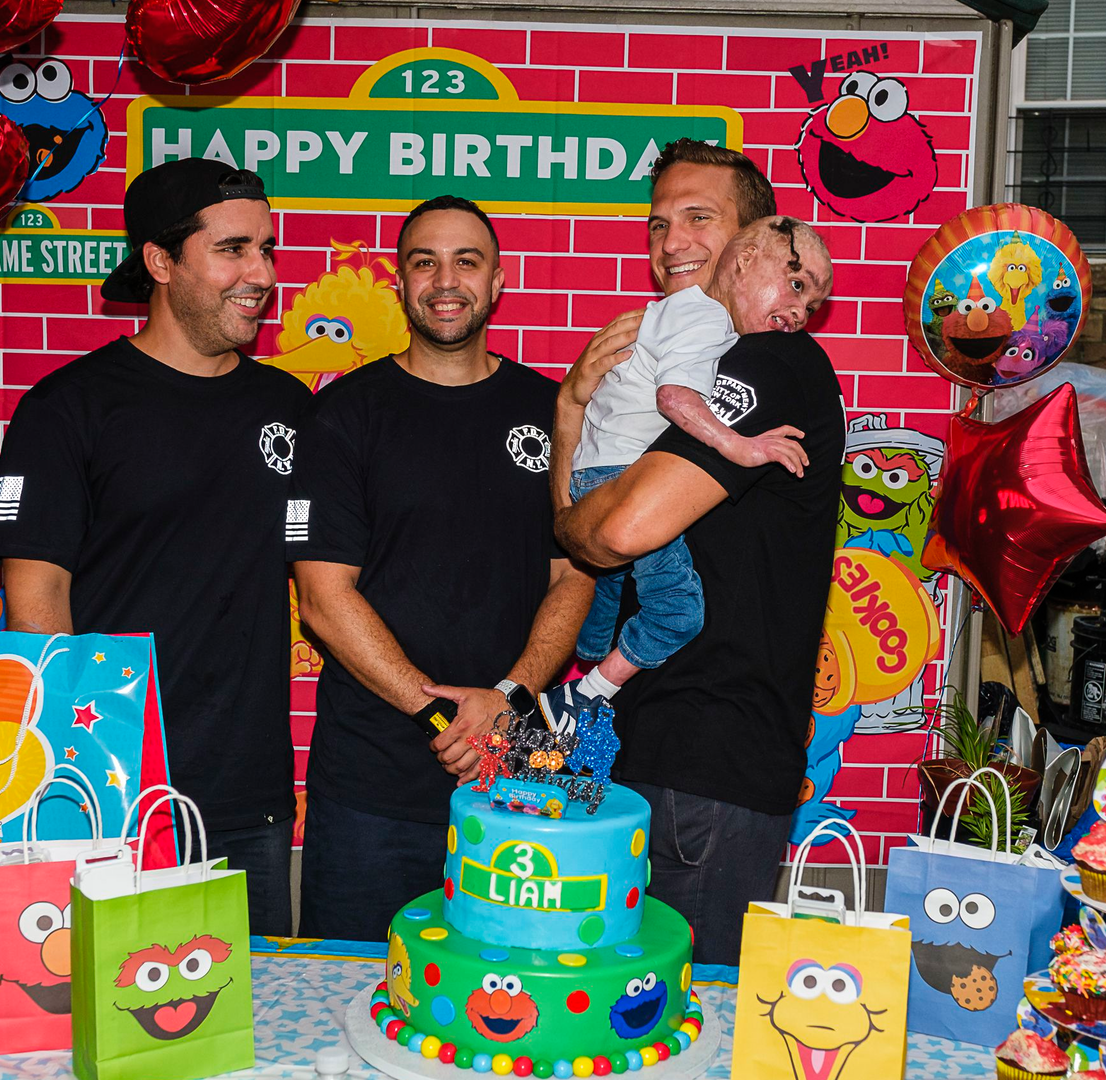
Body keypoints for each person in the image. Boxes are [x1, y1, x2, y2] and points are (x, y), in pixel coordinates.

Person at [0, 158, 310, 937]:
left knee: (254, 1028)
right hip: (113, 795)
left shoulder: (287, 406)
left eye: (266, 251)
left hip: (249, 794)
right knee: (117, 1022)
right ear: (160, 262)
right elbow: (36, 603)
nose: (260, 273)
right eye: (234, 249)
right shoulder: (68, 408)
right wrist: (84, 778)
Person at [551, 141, 847, 964]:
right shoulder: (683, 354)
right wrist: (572, 416)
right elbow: (582, 541)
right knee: (604, 1011)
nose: (671, 241)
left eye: (698, 218)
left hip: (706, 761)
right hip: (637, 745)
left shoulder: (770, 360)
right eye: (658, 223)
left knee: (685, 1021)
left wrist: (581, 523)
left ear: (759, 236)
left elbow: (610, 532)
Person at [289, 195, 593, 942]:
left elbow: (576, 574)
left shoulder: (551, 410)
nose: (445, 280)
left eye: (467, 261)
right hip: (370, 788)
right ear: (399, 283)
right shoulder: (344, 415)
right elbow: (324, 599)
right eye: (424, 262)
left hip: (522, 781)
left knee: (516, 1008)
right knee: (347, 998)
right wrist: (449, 718)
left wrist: (506, 699)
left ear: (498, 281)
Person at [542, 216, 832, 731]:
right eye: (795, 283)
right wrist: (737, 445)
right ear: (744, 261)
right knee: (678, 612)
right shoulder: (705, 323)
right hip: (620, 474)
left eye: (810, 305)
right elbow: (675, 398)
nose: (798, 311)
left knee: (607, 587)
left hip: (594, 474)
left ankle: (589, 650)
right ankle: (583, 695)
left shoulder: (682, 316)